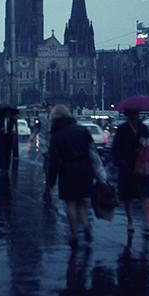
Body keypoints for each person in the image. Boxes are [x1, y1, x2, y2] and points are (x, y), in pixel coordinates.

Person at [47, 104, 94, 248]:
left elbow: (53, 161)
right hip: (85, 169)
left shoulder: (56, 136)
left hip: (68, 170)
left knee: (71, 203)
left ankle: (74, 235)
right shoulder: (82, 130)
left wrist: (50, 180)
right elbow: (93, 153)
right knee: (81, 202)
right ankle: (86, 226)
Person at [111, 108, 149, 234]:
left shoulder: (143, 128)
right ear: (127, 115)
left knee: (145, 195)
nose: (135, 116)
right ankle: (130, 221)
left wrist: (145, 143)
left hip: (142, 166)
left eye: (136, 113)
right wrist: (118, 162)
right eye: (132, 114)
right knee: (127, 196)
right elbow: (115, 148)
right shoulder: (122, 129)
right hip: (127, 167)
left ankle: (146, 222)